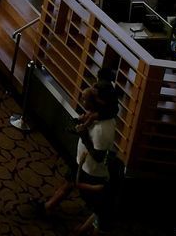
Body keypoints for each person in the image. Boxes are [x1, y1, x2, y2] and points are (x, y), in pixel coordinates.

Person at [35, 84, 118, 233]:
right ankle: (49, 207)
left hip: (90, 172)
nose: (84, 101)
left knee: (100, 210)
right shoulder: (95, 118)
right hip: (82, 162)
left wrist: (83, 136)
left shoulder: (102, 129)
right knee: (69, 182)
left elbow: (99, 157)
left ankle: (80, 230)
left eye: (88, 98)